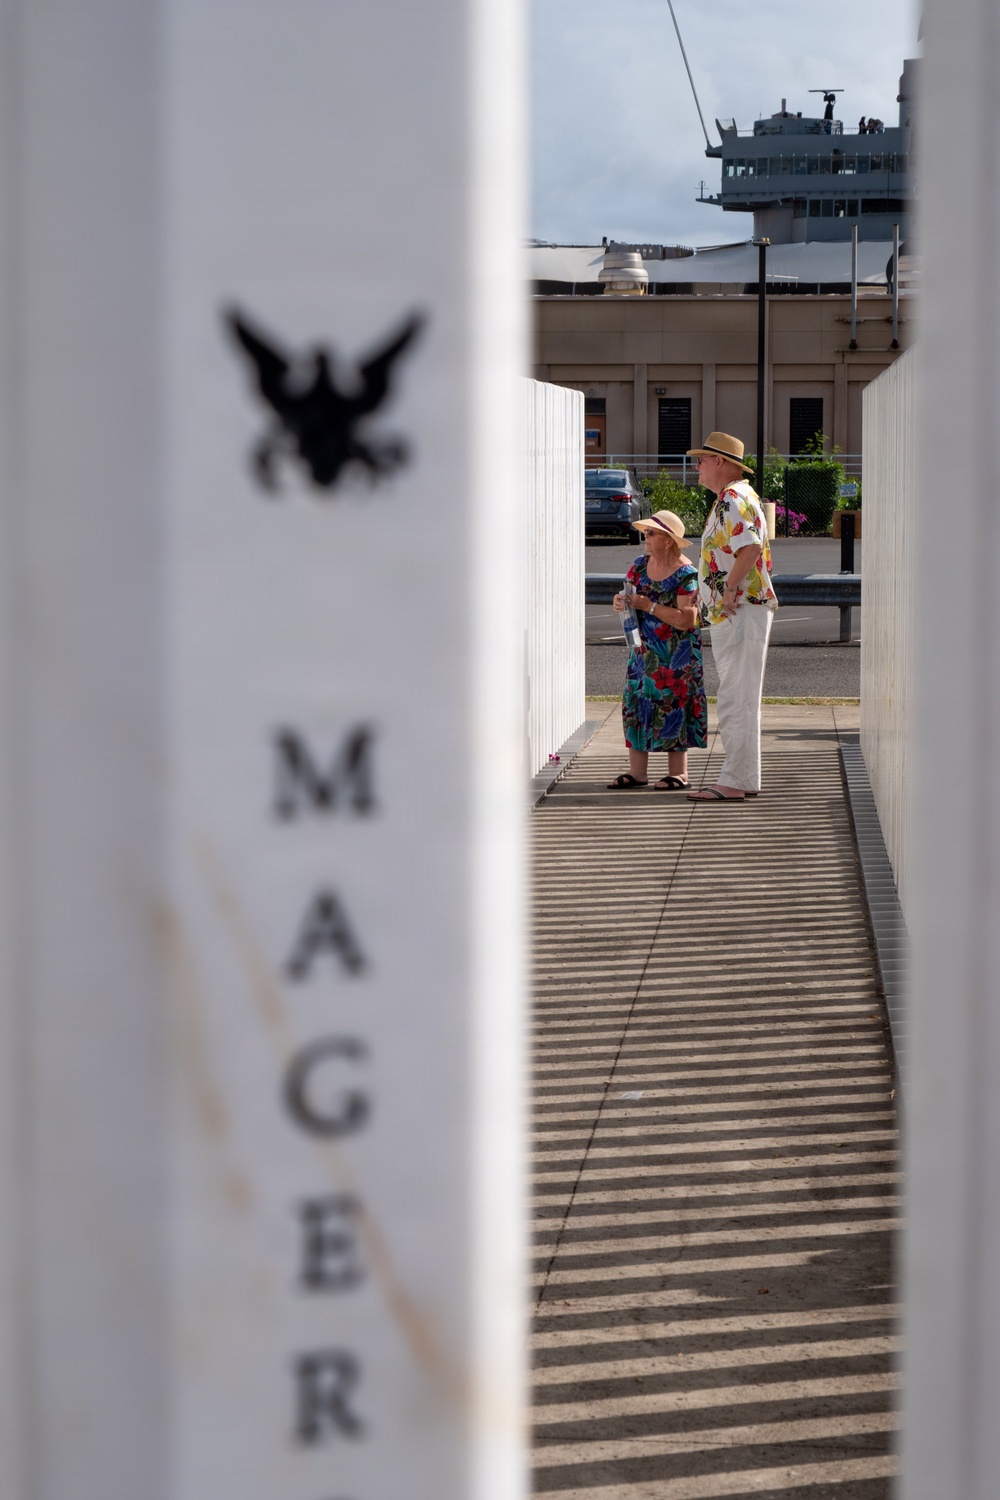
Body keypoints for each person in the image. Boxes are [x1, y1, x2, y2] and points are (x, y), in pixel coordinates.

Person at [685, 431, 778, 803]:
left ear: (720, 462)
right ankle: (742, 777)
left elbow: (751, 545)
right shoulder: (737, 497)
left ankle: (735, 781)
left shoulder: (733, 498)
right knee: (739, 697)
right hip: (739, 610)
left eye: (702, 460)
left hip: (738, 610)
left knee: (735, 698)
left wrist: (728, 589)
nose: (697, 467)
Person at [606, 509, 707, 791]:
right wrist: (619, 601)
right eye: (645, 532)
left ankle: (679, 773)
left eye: (651, 533)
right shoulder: (639, 565)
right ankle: (637, 772)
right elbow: (628, 595)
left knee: (674, 704)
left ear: (669, 540)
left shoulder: (686, 573)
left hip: (676, 655)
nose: (645, 537)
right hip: (642, 652)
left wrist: (646, 605)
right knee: (636, 703)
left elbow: (687, 619)